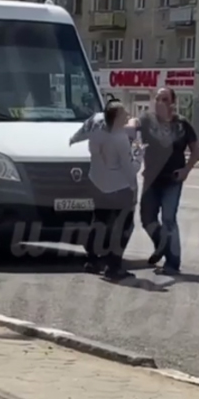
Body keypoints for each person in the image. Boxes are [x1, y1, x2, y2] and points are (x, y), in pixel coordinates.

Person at [138, 87, 199, 276]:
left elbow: (197, 148)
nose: (160, 102)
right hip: (151, 179)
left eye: (165, 99)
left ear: (172, 103)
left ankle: (172, 263)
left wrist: (187, 170)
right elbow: (132, 127)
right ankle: (161, 246)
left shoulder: (182, 124)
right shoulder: (147, 121)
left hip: (172, 180)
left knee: (168, 219)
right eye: (158, 99)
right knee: (147, 218)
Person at [74, 101, 138, 280]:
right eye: (124, 114)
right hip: (118, 187)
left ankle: (93, 261)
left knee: (100, 222)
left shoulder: (97, 129)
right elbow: (129, 169)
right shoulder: (119, 139)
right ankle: (114, 266)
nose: (127, 116)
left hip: (98, 184)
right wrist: (140, 156)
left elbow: (83, 135)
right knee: (124, 225)